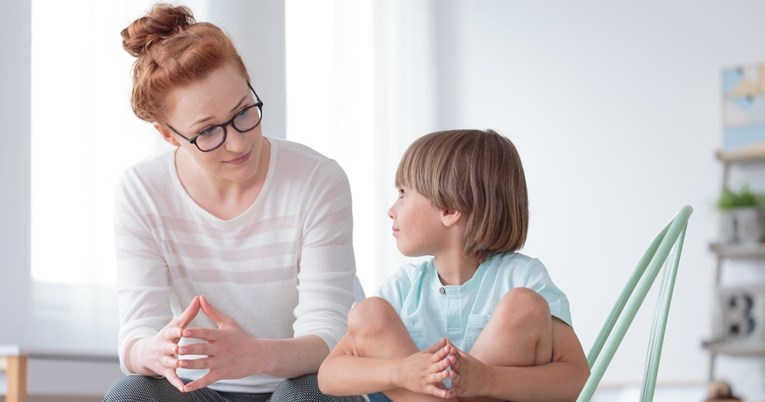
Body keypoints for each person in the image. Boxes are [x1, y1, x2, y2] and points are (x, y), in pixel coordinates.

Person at [103, 4, 364, 402]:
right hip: (201, 388)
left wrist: (255, 355)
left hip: (297, 380)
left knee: (305, 395)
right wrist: (152, 351)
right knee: (132, 393)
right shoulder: (142, 190)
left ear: (250, 85)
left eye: (244, 112)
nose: (240, 142)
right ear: (168, 135)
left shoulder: (317, 179)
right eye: (207, 131)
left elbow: (329, 336)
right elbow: (136, 338)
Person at [317, 129, 590, 401]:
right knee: (368, 312)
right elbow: (328, 375)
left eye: (403, 193)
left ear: (448, 210)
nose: (392, 209)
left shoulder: (522, 278)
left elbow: (577, 379)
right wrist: (401, 371)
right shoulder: (404, 288)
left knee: (525, 304)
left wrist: (488, 379)